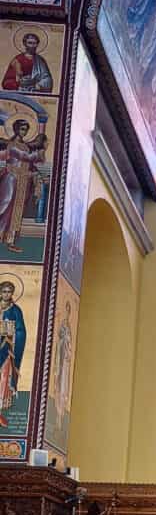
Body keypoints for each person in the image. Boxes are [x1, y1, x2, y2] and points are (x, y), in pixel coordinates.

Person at [0, 119, 47, 253]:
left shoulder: (25, 146)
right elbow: (24, 157)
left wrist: (37, 175)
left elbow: (30, 164)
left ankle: (10, 241)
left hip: (22, 183)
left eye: (26, 129)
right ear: (16, 129)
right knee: (4, 206)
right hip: (11, 179)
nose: (24, 132)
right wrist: (39, 152)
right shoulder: (12, 144)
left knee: (17, 212)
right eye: (22, 129)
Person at [0, 280, 26, 427]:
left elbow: (21, 330)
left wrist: (13, 332)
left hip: (7, 348)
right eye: (4, 291)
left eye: (9, 291)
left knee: (4, 376)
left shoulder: (16, 310)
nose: (6, 294)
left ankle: (0, 411)